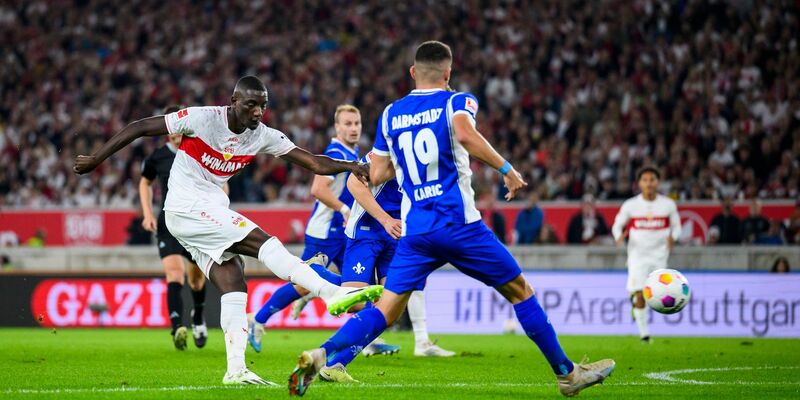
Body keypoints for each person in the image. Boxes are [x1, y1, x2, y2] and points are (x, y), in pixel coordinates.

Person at [288, 41, 614, 397]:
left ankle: (322, 353)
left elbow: (376, 172)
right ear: (448, 73)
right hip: (459, 225)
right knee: (520, 291)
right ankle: (567, 375)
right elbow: (463, 132)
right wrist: (506, 168)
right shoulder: (457, 101)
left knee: (386, 310)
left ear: (413, 73)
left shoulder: (391, 114)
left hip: (415, 232)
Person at [73, 76, 383, 385]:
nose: (258, 112)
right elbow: (140, 127)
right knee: (263, 241)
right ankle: (329, 293)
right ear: (233, 102)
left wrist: (349, 166)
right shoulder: (203, 118)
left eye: (263, 105)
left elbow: (312, 161)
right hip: (185, 207)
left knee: (234, 279)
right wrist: (96, 159)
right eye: (251, 104)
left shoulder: (262, 135)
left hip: (205, 212)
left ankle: (235, 370)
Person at [247, 105, 362, 352]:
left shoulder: (354, 152)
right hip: (324, 233)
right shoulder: (335, 152)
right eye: (348, 124)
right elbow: (317, 189)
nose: (353, 128)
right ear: (337, 127)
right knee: (303, 280)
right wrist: (344, 209)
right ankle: (258, 318)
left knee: (358, 286)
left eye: (357, 123)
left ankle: (368, 336)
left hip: (343, 232)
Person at [138, 105, 215, 350]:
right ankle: (177, 327)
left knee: (196, 281)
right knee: (174, 274)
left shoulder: (199, 153)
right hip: (168, 222)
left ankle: (198, 317)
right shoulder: (158, 157)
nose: (174, 135)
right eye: (170, 131)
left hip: (193, 222)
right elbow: (145, 183)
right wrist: (148, 214)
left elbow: (219, 182)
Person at [612, 166, 681, 343]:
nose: (649, 183)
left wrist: (674, 237)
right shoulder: (631, 205)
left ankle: (636, 305)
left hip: (659, 256)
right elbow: (617, 224)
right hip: (637, 256)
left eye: (652, 180)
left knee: (656, 295)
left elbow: (677, 226)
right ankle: (645, 335)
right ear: (639, 183)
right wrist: (618, 236)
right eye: (645, 180)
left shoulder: (667, 204)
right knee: (640, 294)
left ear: (658, 182)